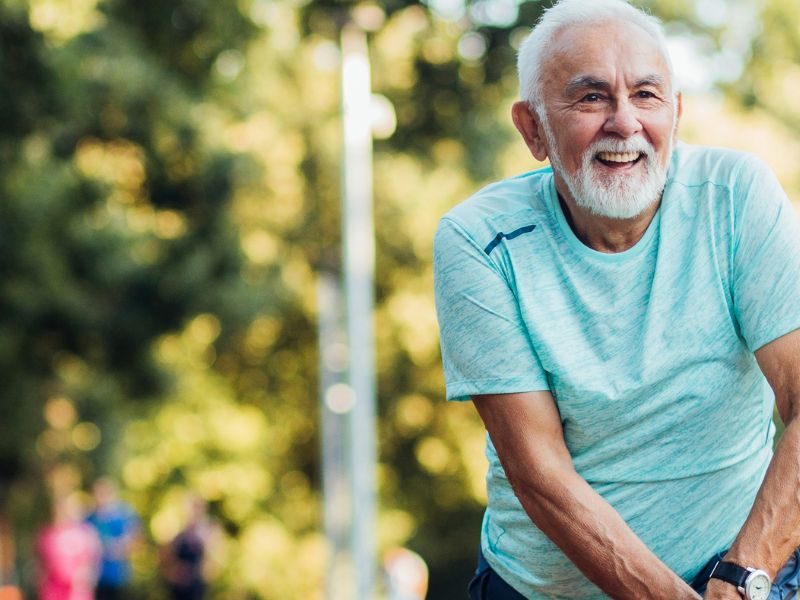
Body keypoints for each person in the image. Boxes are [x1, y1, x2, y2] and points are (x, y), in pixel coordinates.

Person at [432, 1, 800, 599]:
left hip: (740, 569)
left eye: (647, 95)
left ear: (676, 115)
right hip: (538, 590)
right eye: (591, 97)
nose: (624, 122)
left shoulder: (735, 197)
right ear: (533, 130)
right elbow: (541, 474)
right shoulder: (478, 241)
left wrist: (740, 578)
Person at [37, 494, 102, 600]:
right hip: (52, 592)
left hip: (77, 593)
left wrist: (87, 575)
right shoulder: (47, 534)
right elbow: (41, 563)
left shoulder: (84, 533)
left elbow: (93, 560)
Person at [85, 478, 140, 600]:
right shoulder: (89, 519)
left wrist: (119, 548)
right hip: (96, 577)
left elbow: (136, 542)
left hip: (119, 576)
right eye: (97, 493)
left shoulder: (125, 515)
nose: (101, 497)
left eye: (104, 493)